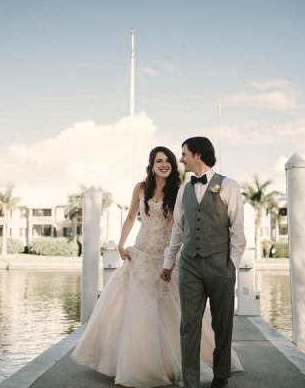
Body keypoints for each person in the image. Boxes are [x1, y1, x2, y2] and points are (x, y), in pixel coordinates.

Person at [71, 146, 242, 387]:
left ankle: (179, 363)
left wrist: (170, 260)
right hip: (140, 252)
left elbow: (177, 226)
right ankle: (133, 363)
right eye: (159, 161)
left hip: (164, 254)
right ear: (151, 164)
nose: (164, 164)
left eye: (169, 161)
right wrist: (121, 243)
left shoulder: (181, 189)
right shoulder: (140, 189)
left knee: (174, 310)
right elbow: (131, 217)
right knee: (135, 309)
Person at [161, 137, 246, 388]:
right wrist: (169, 263)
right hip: (189, 265)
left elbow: (238, 231)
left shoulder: (229, 185)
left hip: (220, 265)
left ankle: (221, 376)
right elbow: (177, 230)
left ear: (198, 155)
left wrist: (230, 265)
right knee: (188, 325)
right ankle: (191, 382)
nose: (181, 159)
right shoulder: (183, 190)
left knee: (222, 323)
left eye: (184, 154)